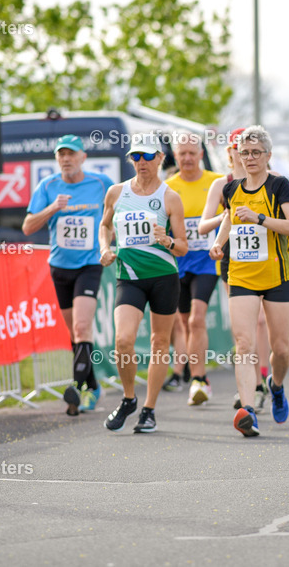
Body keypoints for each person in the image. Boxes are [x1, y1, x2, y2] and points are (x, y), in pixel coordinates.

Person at [209, 125, 289, 437]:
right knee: (244, 343)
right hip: (242, 275)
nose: (249, 158)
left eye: (255, 153)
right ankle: (247, 410)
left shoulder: (279, 185)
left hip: (277, 276)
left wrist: (261, 218)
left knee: (281, 348)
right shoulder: (231, 189)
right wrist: (219, 244)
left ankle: (276, 386)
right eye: (244, 152)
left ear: (267, 156)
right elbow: (229, 218)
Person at [99, 137, 188, 433]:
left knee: (159, 343)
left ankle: (149, 409)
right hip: (130, 277)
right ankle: (128, 399)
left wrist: (168, 240)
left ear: (160, 158)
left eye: (147, 156)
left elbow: (183, 248)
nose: (141, 162)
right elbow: (105, 225)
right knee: (123, 340)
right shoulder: (116, 192)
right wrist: (104, 248)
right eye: (135, 156)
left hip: (164, 278)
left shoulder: (170, 197)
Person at [23, 134, 113, 416]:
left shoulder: (101, 184)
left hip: (89, 264)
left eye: (72, 154)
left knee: (82, 328)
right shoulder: (47, 187)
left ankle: (77, 388)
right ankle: (93, 385)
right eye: (61, 154)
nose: (66, 159)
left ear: (83, 157)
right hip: (60, 267)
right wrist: (52, 209)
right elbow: (27, 227)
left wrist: (111, 242)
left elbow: (120, 208)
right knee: (74, 334)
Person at [199, 128, 270, 412]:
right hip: (235, 259)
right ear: (230, 152)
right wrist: (224, 216)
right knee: (244, 329)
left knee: (263, 322)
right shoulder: (222, 184)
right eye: (235, 148)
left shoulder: (270, 180)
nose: (240, 154)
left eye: (249, 149)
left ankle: (264, 377)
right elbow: (203, 225)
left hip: (268, 257)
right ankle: (250, 384)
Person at [164, 134, 224, 406]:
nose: (187, 158)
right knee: (183, 321)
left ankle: (199, 380)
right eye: (182, 154)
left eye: (192, 153)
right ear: (175, 157)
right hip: (178, 262)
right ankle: (193, 371)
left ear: (201, 154)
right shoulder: (167, 186)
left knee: (197, 318)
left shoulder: (217, 182)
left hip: (207, 260)